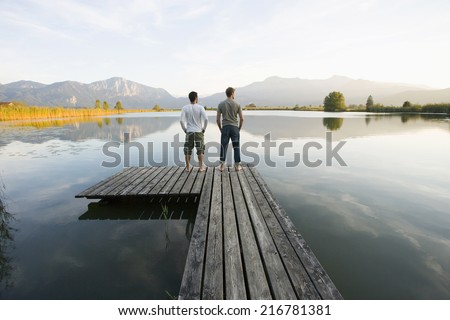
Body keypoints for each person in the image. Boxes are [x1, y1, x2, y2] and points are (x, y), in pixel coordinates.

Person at [216, 87, 244, 171]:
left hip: (225, 128)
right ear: (232, 93)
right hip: (235, 128)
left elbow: (217, 119)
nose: (234, 94)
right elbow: (242, 119)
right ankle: (237, 166)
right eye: (234, 93)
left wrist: (221, 129)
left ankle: (221, 166)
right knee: (236, 147)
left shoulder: (221, 104)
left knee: (223, 146)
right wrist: (238, 129)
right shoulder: (237, 104)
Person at [180, 91, 208, 172]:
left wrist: (185, 129)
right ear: (196, 98)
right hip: (199, 132)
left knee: (188, 149)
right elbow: (206, 119)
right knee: (200, 149)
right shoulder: (200, 107)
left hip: (189, 132)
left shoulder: (185, 108)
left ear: (189, 98)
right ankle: (201, 167)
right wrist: (204, 129)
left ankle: (188, 167)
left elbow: (181, 121)